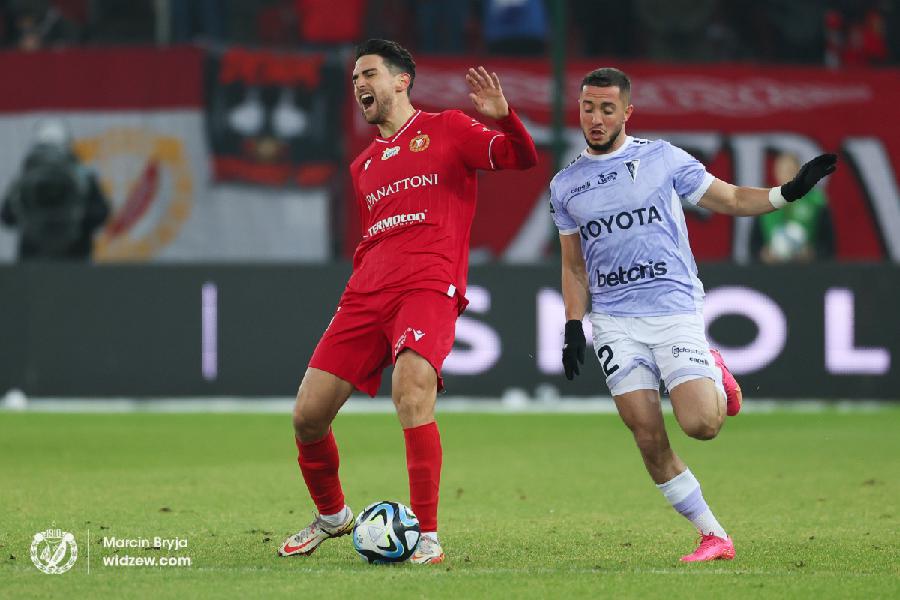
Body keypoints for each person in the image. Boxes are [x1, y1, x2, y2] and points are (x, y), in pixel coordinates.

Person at [551, 68, 836, 562]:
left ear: (626, 113)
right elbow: (574, 266)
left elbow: (729, 198)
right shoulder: (565, 185)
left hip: (673, 308)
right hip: (615, 321)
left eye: (607, 109)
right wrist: (575, 324)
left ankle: (713, 366)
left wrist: (786, 194)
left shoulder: (662, 158)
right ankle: (714, 536)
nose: (595, 118)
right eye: (588, 108)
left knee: (702, 425)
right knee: (646, 435)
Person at [278, 39, 537, 565]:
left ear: (401, 81)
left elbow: (522, 158)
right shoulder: (363, 166)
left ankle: (427, 535)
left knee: (412, 391)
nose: (359, 85)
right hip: (366, 293)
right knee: (307, 416)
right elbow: (374, 235)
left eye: (369, 74)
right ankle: (332, 516)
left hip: (427, 285)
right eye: (354, 79)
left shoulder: (449, 129)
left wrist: (504, 117)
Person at [1, 120, 110, 261]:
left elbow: (7, 216)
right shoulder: (84, 178)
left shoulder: (83, 178)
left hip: (63, 258)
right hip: (56, 259)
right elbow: (7, 216)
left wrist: (77, 214)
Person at [758, 151, 833, 263]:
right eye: (782, 170)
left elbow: (828, 243)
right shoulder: (765, 202)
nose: (786, 175)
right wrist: (764, 254)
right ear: (776, 173)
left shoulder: (816, 201)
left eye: (790, 170)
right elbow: (754, 245)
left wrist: (813, 253)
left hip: (808, 269)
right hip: (774, 269)